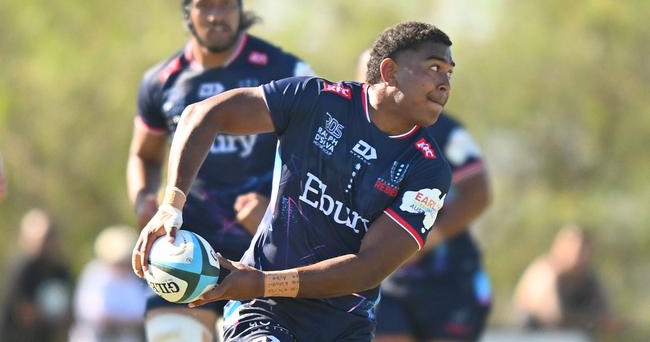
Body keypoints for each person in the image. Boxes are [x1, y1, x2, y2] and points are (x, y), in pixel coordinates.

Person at [133, 21, 455, 342]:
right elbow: (202, 116)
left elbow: (368, 268)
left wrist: (262, 281)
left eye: (449, 73)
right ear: (389, 71)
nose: (445, 83)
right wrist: (171, 207)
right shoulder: (316, 100)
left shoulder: (428, 170)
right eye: (434, 67)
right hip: (264, 312)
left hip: (344, 328)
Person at [126, 0, 313, 340]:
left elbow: (319, 155)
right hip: (185, 244)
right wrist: (142, 202)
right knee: (171, 333)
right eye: (205, 5)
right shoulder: (161, 81)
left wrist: (281, 212)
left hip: (261, 247)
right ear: (188, 13)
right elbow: (143, 154)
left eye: (226, 4)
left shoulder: (286, 70)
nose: (217, 15)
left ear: (240, 9)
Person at [354, 49, 493, 342]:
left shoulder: (443, 130)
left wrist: (425, 241)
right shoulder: (348, 132)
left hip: (449, 279)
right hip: (385, 281)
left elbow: (478, 193)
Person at [513, 224, 623, 337]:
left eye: (587, 250)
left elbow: (607, 319)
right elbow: (553, 317)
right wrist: (591, 321)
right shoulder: (544, 273)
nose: (583, 256)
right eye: (578, 249)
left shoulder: (589, 278)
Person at [0, 209, 73, 342]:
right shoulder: (24, 267)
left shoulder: (60, 269)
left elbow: (67, 314)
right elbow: (24, 311)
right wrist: (50, 316)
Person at [69, 225, 147, 342]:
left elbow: (141, 313)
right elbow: (94, 313)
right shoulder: (94, 274)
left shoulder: (133, 278)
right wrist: (126, 320)